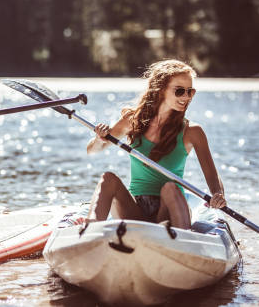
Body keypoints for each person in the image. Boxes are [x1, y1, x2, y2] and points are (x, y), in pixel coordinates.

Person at [84, 59, 226, 229]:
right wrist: (101, 139)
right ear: (161, 90)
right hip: (136, 210)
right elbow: (92, 151)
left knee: (170, 187)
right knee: (108, 179)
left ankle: (183, 243)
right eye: (180, 91)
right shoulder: (132, 121)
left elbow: (212, 175)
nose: (186, 97)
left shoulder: (192, 131)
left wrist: (218, 194)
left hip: (170, 209)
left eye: (190, 91)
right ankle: (89, 230)